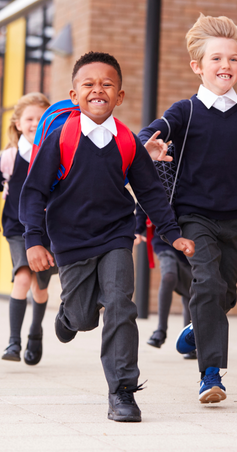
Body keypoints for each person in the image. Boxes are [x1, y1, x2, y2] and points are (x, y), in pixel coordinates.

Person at [19, 52, 195, 422]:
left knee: (120, 303)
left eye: (107, 84)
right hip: (70, 241)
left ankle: (122, 392)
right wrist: (34, 240)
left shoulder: (127, 141)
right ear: (74, 93)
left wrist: (172, 233)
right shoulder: (60, 137)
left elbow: (149, 193)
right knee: (84, 317)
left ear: (120, 96)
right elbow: (34, 192)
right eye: (89, 84)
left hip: (117, 234)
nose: (98, 89)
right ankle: (69, 316)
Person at [138, 13, 237, 404]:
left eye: (233, 59)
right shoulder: (186, 110)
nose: (225, 65)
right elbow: (149, 133)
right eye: (216, 59)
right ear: (198, 65)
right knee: (208, 286)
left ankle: (197, 330)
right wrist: (149, 146)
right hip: (194, 216)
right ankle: (211, 375)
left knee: (223, 295)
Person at [0, 92, 57, 366]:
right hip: (15, 226)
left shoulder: (56, 152)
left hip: (48, 228)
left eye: (41, 118)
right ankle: (13, 341)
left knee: (40, 287)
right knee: (23, 275)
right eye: (29, 118)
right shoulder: (7, 158)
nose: (35, 123)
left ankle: (35, 332)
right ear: (18, 123)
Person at [135, 203, 196, 359]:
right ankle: (160, 331)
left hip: (191, 238)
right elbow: (145, 198)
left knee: (191, 289)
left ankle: (189, 341)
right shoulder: (158, 177)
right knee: (169, 276)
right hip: (164, 238)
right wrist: (137, 229)